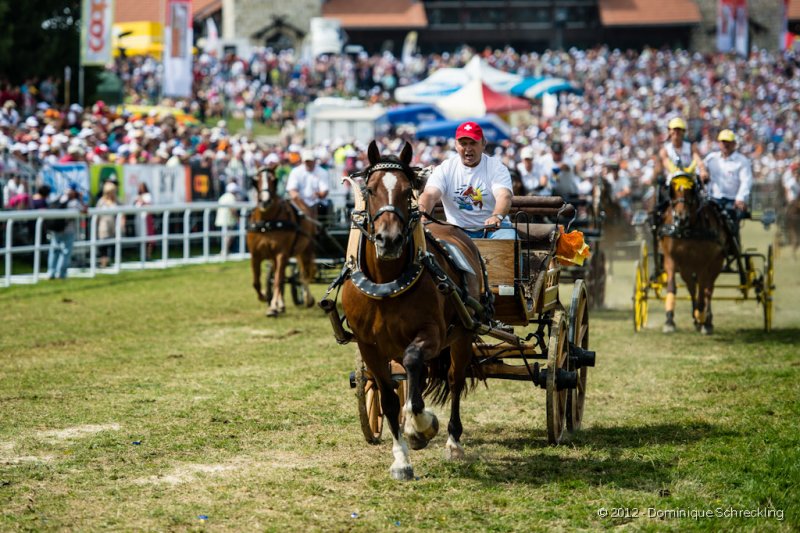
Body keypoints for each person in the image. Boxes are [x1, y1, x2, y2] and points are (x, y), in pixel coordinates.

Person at [418, 121, 514, 239]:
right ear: (456, 145)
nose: (468, 148)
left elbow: (504, 196)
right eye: (463, 143)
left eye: (473, 143)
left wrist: (497, 216)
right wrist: (422, 217)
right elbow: (430, 195)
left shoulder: (496, 167)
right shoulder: (445, 168)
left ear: (483, 143)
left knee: (509, 243)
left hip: (494, 229)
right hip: (457, 230)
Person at [702, 129, 753, 248]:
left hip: (732, 200)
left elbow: (746, 181)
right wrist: (702, 172)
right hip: (713, 199)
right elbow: (700, 168)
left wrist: (740, 198)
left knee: (730, 224)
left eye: (728, 142)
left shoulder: (742, 161)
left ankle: (733, 245)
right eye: (723, 142)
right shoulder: (711, 158)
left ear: (734, 144)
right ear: (719, 143)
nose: (725, 144)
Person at [47, 183, 87, 279]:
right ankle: (61, 274)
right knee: (65, 252)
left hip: (56, 229)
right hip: (68, 230)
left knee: (54, 250)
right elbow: (85, 210)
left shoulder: (59, 198)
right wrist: (81, 198)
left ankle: (51, 272)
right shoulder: (74, 202)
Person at [285, 149, 330, 219]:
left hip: (317, 203)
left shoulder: (322, 172)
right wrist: (298, 199)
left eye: (310, 161)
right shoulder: (295, 172)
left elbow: (324, 192)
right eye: (307, 161)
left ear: (314, 161)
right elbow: (292, 191)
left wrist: (318, 194)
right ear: (303, 161)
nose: (308, 163)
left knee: (320, 207)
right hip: (299, 203)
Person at [96, 180, 122, 268]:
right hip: (103, 225)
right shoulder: (101, 201)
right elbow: (97, 216)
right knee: (103, 244)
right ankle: (103, 262)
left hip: (113, 225)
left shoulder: (117, 201)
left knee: (113, 244)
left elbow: (123, 212)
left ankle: (111, 261)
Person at [215, 180, 240, 254]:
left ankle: (225, 250)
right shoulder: (231, 197)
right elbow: (233, 210)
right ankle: (224, 251)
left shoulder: (223, 197)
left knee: (226, 236)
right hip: (228, 220)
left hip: (220, 220)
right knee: (229, 236)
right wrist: (237, 218)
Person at [133, 182, 155, 259]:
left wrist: (141, 200)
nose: (140, 188)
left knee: (149, 238)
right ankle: (142, 254)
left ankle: (148, 255)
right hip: (139, 220)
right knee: (141, 238)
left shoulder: (148, 196)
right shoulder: (136, 197)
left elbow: (149, 206)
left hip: (146, 220)